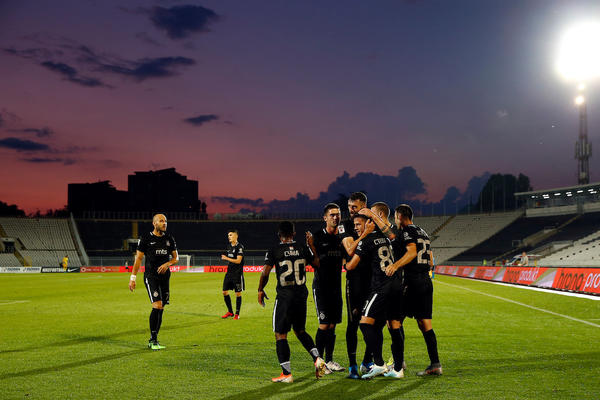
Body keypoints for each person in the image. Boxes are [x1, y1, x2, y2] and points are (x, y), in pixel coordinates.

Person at [257, 221, 327, 383]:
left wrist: (260, 289)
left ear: (279, 234)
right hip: (301, 295)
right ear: (294, 233)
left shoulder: (275, 249)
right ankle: (317, 358)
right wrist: (312, 246)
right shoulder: (303, 247)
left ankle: (286, 374)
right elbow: (317, 263)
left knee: (281, 334)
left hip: (285, 297)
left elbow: (265, 273)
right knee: (300, 330)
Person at [385, 204, 442, 376]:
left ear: (400, 216)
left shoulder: (407, 231)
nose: (395, 220)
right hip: (425, 280)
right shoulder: (423, 232)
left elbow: (411, 253)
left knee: (394, 320)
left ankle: (398, 362)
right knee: (425, 324)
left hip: (412, 281)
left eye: (395, 216)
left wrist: (395, 266)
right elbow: (431, 260)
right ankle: (435, 364)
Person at [345, 214, 399, 379]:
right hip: (395, 284)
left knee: (364, 324)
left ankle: (379, 363)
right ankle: (396, 366)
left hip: (380, 286)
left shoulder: (365, 240)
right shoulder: (386, 238)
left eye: (358, 224)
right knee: (386, 326)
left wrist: (345, 264)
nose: (355, 227)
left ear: (369, 224)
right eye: (354, 224)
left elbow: (351, 265)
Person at [338, 192, 374, 378]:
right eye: (349, 206)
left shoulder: (373, 224)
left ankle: (368, 361)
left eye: (355, 207)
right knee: (353, 323)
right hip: (354, 281)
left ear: (364, 206)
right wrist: (366, 234)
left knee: (373, 323)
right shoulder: (345, 226)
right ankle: (352, 365)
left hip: (373, 281)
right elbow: (350, 249)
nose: (351, 210)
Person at [129, 214, 178, 350]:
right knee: (156, 305)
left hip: (165, 278)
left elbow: (175, 258)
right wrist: (132, 278)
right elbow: (138, 259)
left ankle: (155, 338)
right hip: (151, 277)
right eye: (161, 221)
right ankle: (152, 340)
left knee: (161, 307)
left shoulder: (169, 239)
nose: (164, 223)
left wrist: (167, 264)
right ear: (154, 223)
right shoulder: (146, 239)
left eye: (166, 221)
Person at [311, 203, 345, 373]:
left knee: (332, 325)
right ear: (325, 217)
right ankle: (319, 363)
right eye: (332, 215)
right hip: (321, 287)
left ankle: (330, 360)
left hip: (336, 287)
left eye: (338, 214)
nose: (335, 217)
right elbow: (313, 261)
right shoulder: (317, 237)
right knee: (324, 324)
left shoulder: (342, 237)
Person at [221, 229, 245, 319]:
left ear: (236, 236)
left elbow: (238, 261)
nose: (229, 237)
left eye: (231, 235)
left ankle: (237, 314)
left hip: (237, 274)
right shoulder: (228, 246)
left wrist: (226, 258)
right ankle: (230, 312)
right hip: (229, 273)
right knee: (224, 292)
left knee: (238, 293)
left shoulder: (240, 247)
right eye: (228, 235)